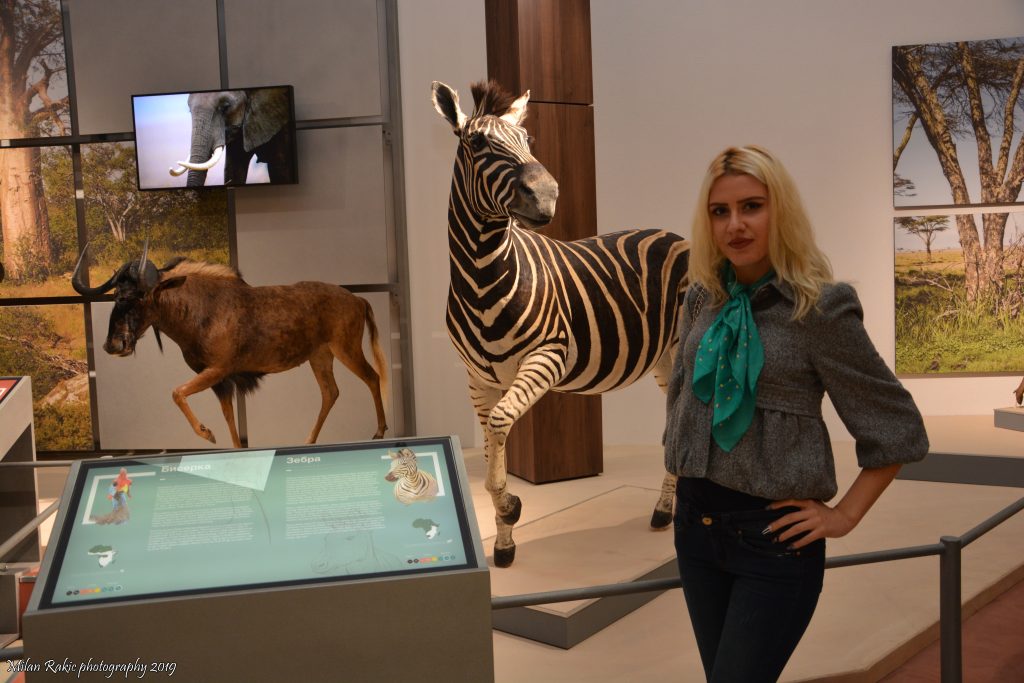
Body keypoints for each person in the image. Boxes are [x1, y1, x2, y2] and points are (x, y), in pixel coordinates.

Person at [664, 145, 928, 682]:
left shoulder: (820, 308)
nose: (735, 225)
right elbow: (682, 395)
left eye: (752, 206)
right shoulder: (701, 300)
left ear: (780, 210)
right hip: (694, 528)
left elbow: (897, 427)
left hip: (772, 543)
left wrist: (844, 516)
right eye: (720, 211)